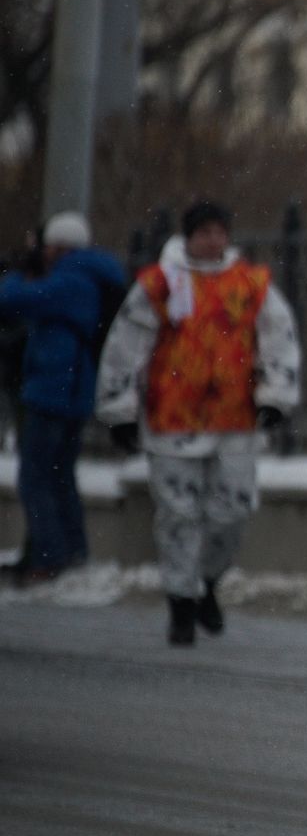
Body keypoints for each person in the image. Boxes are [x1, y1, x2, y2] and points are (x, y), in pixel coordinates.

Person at [96, 200, 301, 645]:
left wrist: (276, 397)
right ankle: (180, 605)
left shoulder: (251, 283)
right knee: (178, 515)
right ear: (189, 237)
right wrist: (119, 408)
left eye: (220, 232)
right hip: (173, 419)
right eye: (205, 232)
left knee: (231, 514)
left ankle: (206, 582)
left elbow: (278, 340)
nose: (214, 240)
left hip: (236, 419)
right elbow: (125, 344)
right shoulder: (160, 284)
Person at [0, 212, 127, 582]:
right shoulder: (94, 275)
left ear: (56, 247)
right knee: (59, 475)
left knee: (37, 477)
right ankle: (70, 551)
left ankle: (50, 557)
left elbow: (11, 300)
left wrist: (18, 273)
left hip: (53, 389)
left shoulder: (70, 280)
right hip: (73, 390)